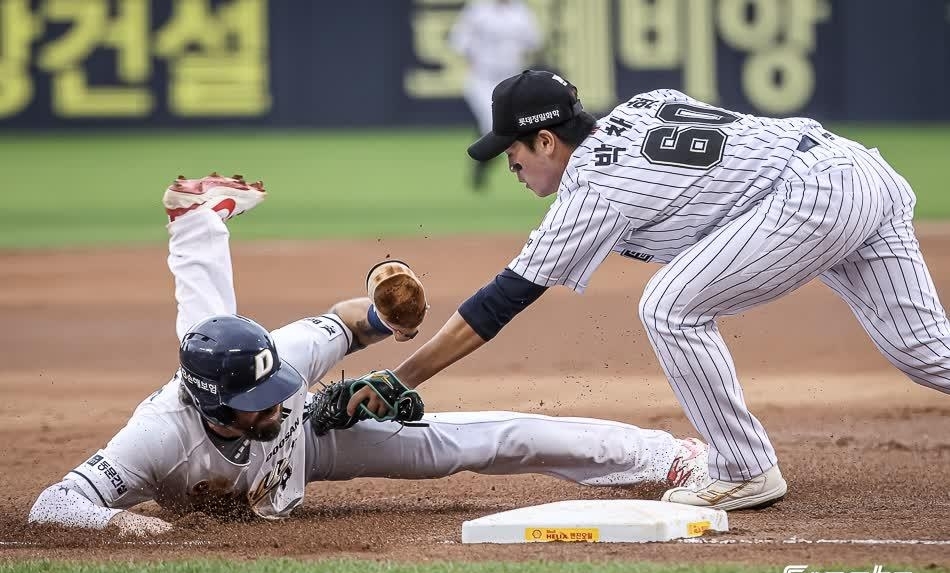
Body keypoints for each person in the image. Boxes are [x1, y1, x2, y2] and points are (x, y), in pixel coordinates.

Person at [348, 69, 946, 512]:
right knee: (926, 352)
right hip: (861, 173)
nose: (511, 166)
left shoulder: (591, 190)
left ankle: (743, 468)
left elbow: (503, 300)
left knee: (670, 307)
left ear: (548, 142)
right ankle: (742, 463)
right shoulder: (646, 104)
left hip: (813, 198)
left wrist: (402, 378)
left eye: (513, 153)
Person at [28, 173, 709, 537]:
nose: (274, 404)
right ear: (216, 412)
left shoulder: (279, 360)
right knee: (209, 332)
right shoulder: (156, 438)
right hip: (211, 410)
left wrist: (390, 315)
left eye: (277, 394)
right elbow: (54, 506)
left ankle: (663, 455)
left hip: (314, 439)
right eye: (256, 407)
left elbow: (346, 325)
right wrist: (126, 530)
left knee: (477, 439)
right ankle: (199, 219)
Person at [449, 0, 541, 190]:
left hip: (510, 79)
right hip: (484, 79)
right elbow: (459, 41)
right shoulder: (478, 10)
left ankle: (483, 164)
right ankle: (483, 163)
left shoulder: (520, 11)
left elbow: (534, 41)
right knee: (492, 124)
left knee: (508, 126)